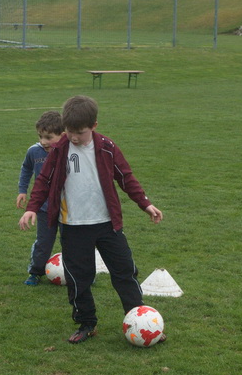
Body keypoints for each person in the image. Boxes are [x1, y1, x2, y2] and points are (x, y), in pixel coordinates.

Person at [19, 95, 164, 344]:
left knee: (124, 271)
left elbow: (125, 177)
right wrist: (32, 208)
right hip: (73, 226)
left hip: (107, 224)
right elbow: (44, 180)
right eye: (69, 131)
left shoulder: (107, 147)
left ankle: (141, 320)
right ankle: (86, 323)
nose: (74, 137)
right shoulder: (60, 150)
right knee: (78, 278)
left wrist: (146, 204)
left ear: (94, 126)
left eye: (80, 132)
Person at [16, 110, 64, 285]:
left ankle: (82, 274)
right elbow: (26, 169)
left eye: (49, 137)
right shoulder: (34, 152)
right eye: (40, 136)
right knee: (44, 243)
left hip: (67, 209)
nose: (44, 141)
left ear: (62, 135)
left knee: (72, 244)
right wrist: (22, 190)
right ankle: (35, 272)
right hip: (44, 208)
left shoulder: (68, 152)